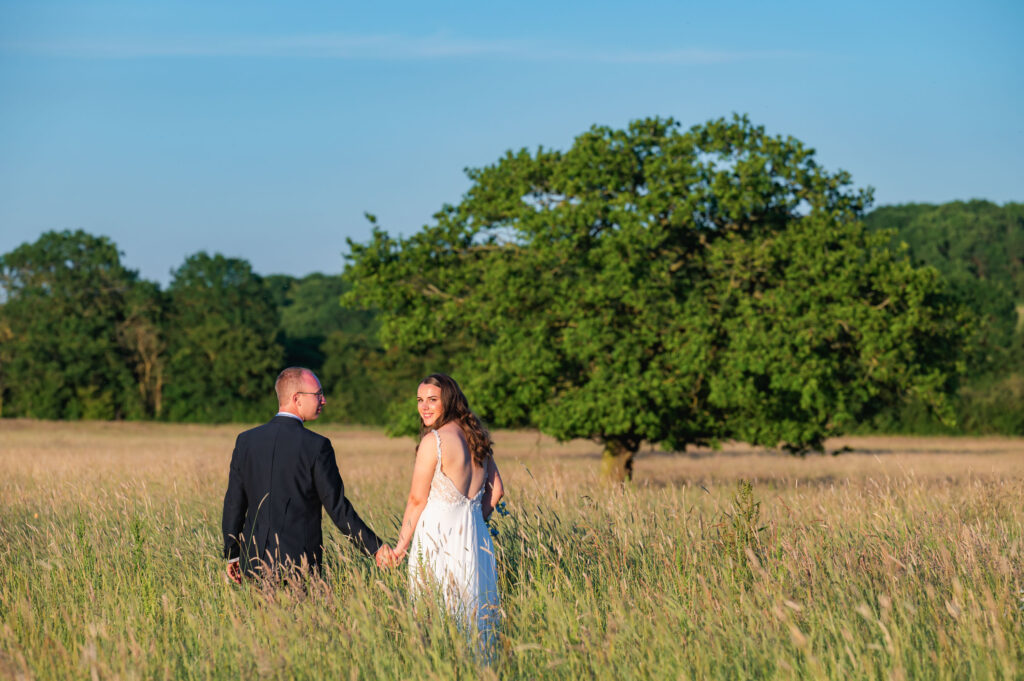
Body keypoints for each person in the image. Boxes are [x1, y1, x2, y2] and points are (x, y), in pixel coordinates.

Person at [221, 367, 394, 583]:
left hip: (253, 563)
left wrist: (233, 554)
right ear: (297, 398)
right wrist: (375, 548)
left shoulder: (246, 441)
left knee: (260, 618)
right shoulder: (317, 446)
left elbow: (234, 503)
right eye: (318, 394)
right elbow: (338, 509)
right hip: (299, 565)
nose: (324, 400)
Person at [391, 373, 504, 645]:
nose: (424, 407)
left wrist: (401, 547)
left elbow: (417, 500)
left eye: (432, 400)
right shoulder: (477, 437)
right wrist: (475, 521)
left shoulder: (435, 441)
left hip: (436, 541)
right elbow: (497, 491)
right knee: (474, 616)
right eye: (420, 400)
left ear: (449, 401)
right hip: (476, 540)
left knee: (433, 617)